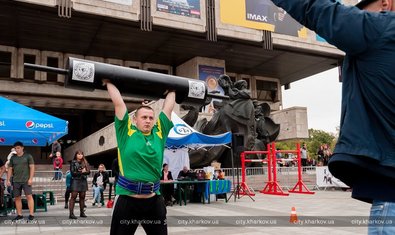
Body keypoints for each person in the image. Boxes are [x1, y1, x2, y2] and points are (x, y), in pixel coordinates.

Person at [268, 0, 395, 234]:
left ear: (385, 4)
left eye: (358, 11)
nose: (355, 15)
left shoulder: (381, 28)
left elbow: (315, 9)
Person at [104, 79, 175, 235]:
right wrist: (108, 81)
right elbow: (118, 104)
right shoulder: (126, 132)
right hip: (127, 200)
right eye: (144, 117)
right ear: (134, 120)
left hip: (153, 201)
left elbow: (168, 108)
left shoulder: (159, 133)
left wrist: (173, 87)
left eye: (151, 118)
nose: (148, 121)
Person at [6, 141, 35, 221]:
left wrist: (31, 179)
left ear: (22, 148)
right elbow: (10, 169)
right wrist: (8, 180)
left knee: (29, 196)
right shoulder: (13, 158)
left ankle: (31, 214)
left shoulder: (28, 156)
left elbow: (32, 167)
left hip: (26, 180)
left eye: (18, 148)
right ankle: (19, 215)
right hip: (16, 181)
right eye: (15, 148)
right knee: (17, 197)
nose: (17, 150)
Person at [68, 150, 90, 219]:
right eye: (79, 154)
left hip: (83, 180)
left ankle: (82, 213)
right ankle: (71, 214)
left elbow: (88, 172)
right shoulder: (73, 162)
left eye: (81, 154)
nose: (80, 155)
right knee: (73, 197)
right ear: (76, 155)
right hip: (75, 180)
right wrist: (82, 172)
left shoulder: (85, 162)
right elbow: (72, 173)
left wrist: (83, 172)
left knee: (82, 197)